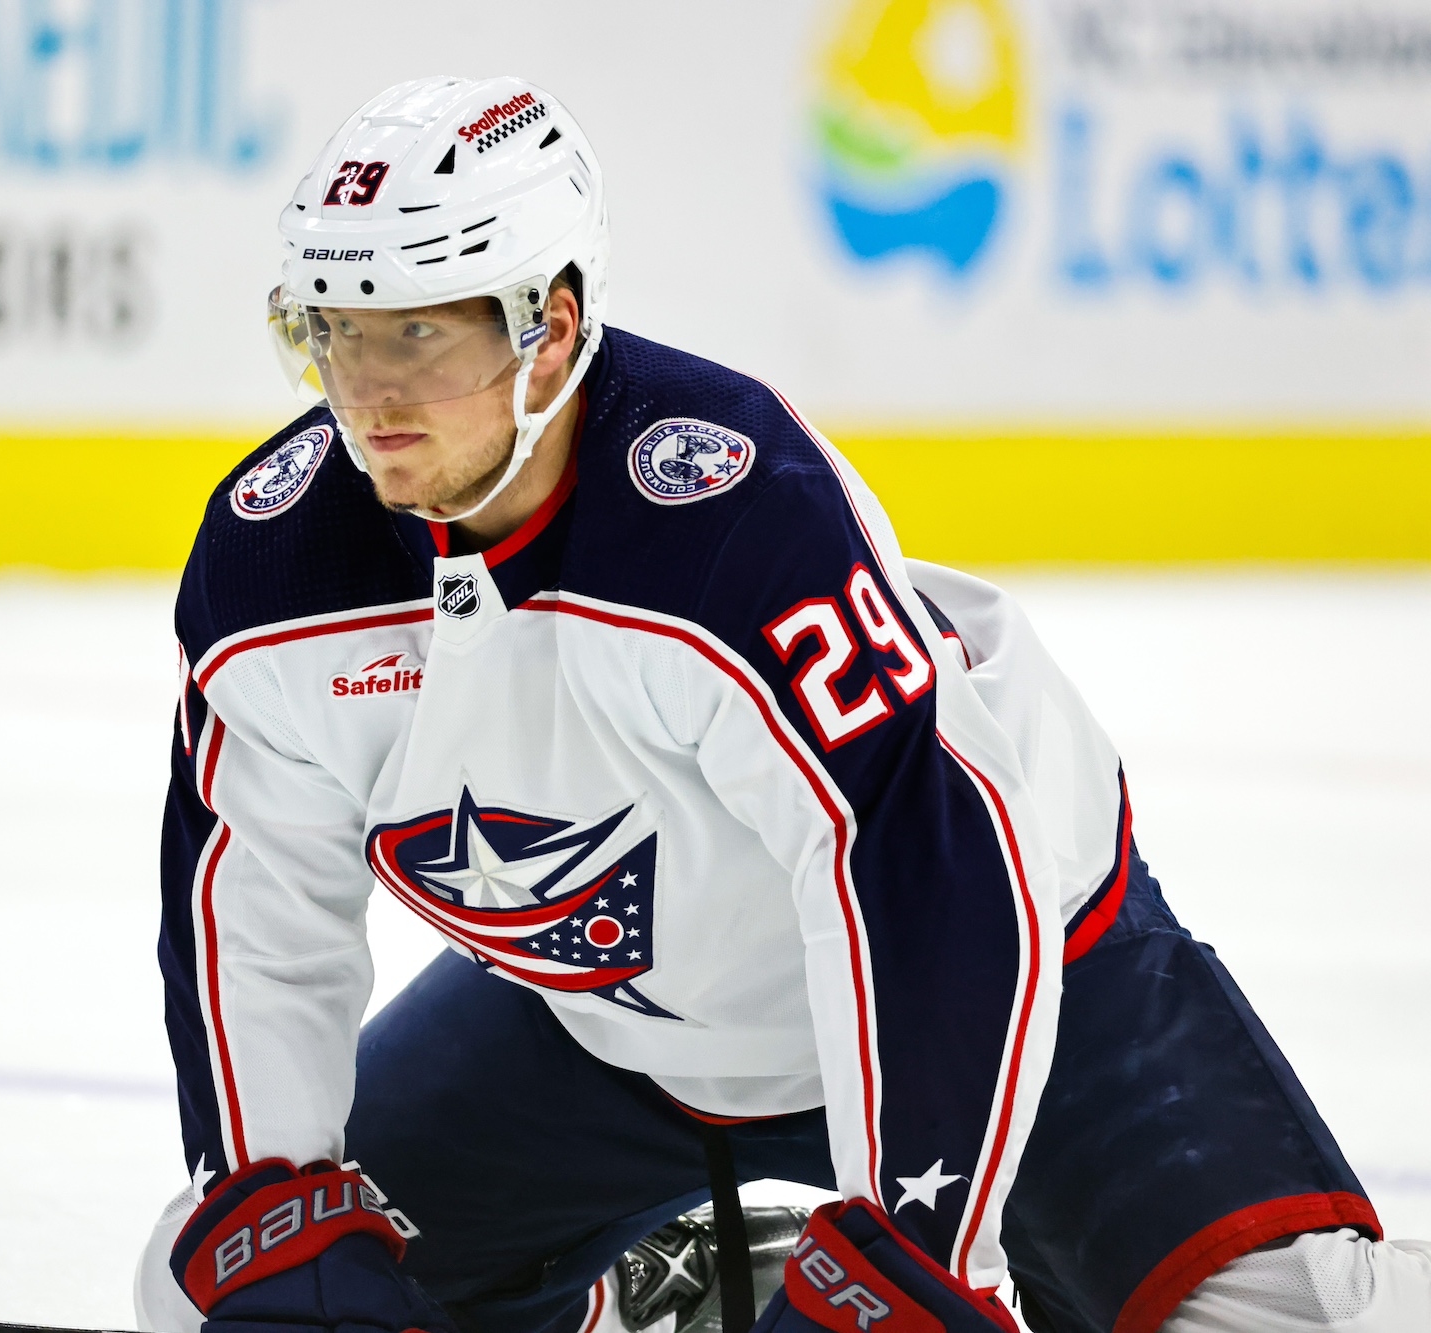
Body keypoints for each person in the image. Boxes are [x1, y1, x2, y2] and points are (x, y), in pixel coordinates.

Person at [134, 76, 1430, 1333]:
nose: (370, 392)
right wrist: (277, 1201)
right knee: (201, 1279)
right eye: (338, 330)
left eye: (421, 329)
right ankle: (638, 1288)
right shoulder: (274, 564)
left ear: (557, 324)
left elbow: (924, 874)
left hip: (1011, 987)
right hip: (614, 1021)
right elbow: (250, 904)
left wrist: (916, 1252)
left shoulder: (730, 520)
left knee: (1287, 1321)